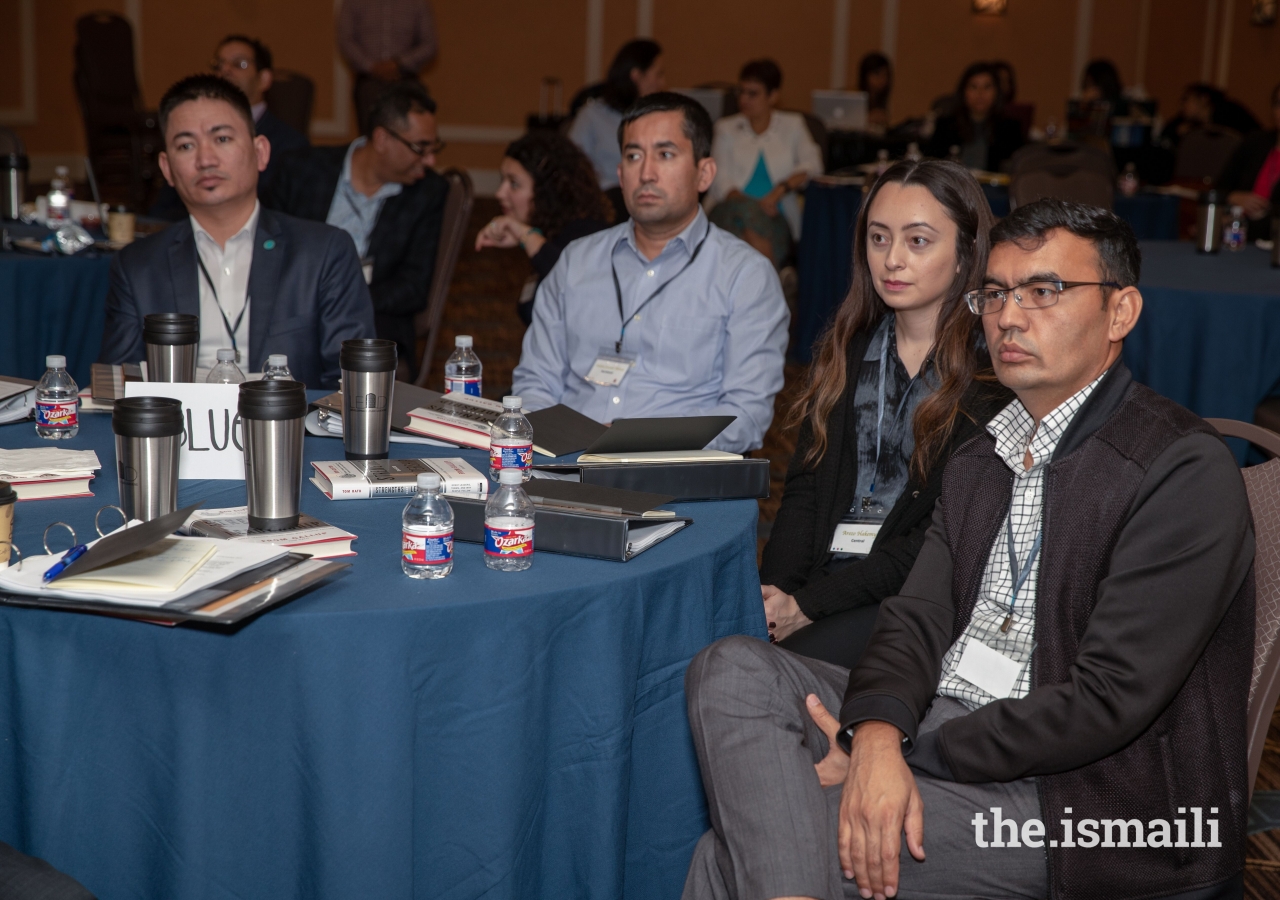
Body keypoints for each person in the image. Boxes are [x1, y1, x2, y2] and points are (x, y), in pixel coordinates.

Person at [682, 197, 1254, 900]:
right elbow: (914, 618)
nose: (1009, 316)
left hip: (1093, 806)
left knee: (729, 854)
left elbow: (1105, 704)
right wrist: (880, 736)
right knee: (732, 668)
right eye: (995, 292)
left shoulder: (1177, 468)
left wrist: (894, 753)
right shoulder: (986, 454)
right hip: (948, 725)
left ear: (1120, 312)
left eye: (1045, 291)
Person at [760, 159, 1011, 671]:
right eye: (878, 238)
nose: (892, 260)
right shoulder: (847, 351)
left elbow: (944, 539)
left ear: (966, 252)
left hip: (921, 596)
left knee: (766, 672)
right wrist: (776, 592)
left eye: (917, 241)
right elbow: (805, 491)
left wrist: (808, 606)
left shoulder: (993, 379)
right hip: (825, 580)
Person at [513, 92, 789, 454]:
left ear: (704, 173)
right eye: (633, 156)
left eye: (665, 154)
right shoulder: (576, 261)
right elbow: (535, 381)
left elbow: (746, 416)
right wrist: (552, 445)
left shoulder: (745, 276)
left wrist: (635, 444)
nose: (646, 173)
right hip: (565, 466)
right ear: (619, 175)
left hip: (674, 478)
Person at [99, 76, 374, 389]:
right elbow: (116, 388)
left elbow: (352, 386)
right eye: (186, 145)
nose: (206, 160)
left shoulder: (323, 253)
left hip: (287, 432)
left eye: (222, 139)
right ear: (167, 169)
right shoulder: (138, 266)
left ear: (260, 152)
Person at [264, 80, 447, 377]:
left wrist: (342, 297)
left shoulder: (427, 193)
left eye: (434, 147)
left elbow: (413, 288)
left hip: (374, 323)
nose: (430, 160)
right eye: (420, 148)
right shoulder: (301, 170)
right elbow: (267, 249)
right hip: (289, 312)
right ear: (382, 139)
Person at [149, 35, 309, 221]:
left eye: (239, 64)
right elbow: (164, 209)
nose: (225, 70)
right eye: (219, 65)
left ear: (264, 79)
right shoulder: (187, 133)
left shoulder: (291, 144)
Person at [474, 131, 613, 326]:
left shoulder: (587, 237)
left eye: (514, 183)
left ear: (547, 190)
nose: (500, 193)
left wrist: (527, 236)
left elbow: (573, 290)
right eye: (502, 181)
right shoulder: (552, 235)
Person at [707, 59, 823, 269]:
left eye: (753, 93)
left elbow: (813, 165)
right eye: (741, 92)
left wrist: (779, 191)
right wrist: (753, 207)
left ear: (773, 96)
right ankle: (772, 286)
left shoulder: (793, 125)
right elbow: (719, 179)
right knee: (746, 222)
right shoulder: (725, 128)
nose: (744, 99)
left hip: (776, 217)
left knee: (749, 237)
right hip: (728, 211)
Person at [568, 39, 665, 218]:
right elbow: (573, 166)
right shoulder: (593, 115)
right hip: (605, 199)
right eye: (657, 75)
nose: (662, 82)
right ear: (636, 76)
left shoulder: (658, 118)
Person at [337, 0, 438, 134]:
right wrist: (372, 66)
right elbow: (346, 40)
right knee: (371, 133)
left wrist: (399, 64)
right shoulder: (354, 2)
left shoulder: (417, 3)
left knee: (413, 132)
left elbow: (429, 45)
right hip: (369, 80)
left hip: (406, 78)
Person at [925, 62, 1023, 172]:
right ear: (964, 92)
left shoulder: (1010, 128)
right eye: (974, 87)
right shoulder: (946, 125)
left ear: (997, 92)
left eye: (987, 87)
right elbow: (932, 167)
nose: (980, 94)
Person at [1218, 81, 1280, 242]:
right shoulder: (1255, 142)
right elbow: (1218, 189)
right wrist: (1233, 197)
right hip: (1236, 238)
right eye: (1279, 104)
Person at [858, 53, 892, 133]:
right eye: (877, 74)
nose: (882, 79)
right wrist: (866, 118)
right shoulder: (853, 95)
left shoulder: (880, 99)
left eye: (885, 75)